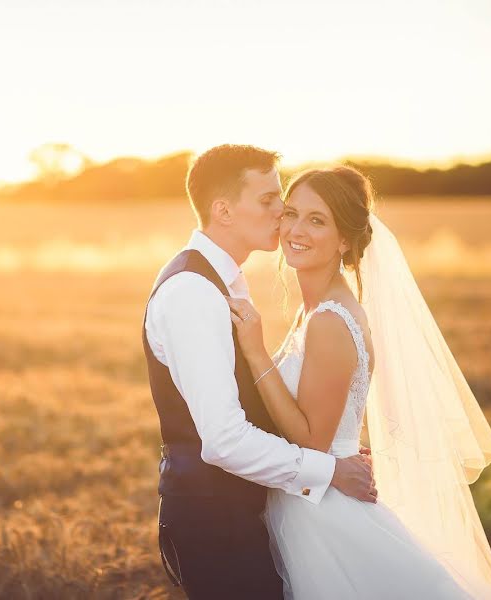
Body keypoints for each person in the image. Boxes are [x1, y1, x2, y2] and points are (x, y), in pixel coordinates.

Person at [226, 166, 491, 599]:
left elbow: (313, 443)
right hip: (317, 492)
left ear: (344, 240)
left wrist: (256, 352)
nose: (296, 230)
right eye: (292, 214)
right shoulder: (319, 310)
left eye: (317, 220)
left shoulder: (329, 321)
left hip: (324, 513)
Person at [143, 145, 376, 599]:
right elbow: (224, 438)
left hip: (244, 514)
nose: (282, 215)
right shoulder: (193, 292)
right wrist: (328, 470)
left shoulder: (223, 281)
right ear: (224, 211)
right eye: (270, 201)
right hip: (214, 522)